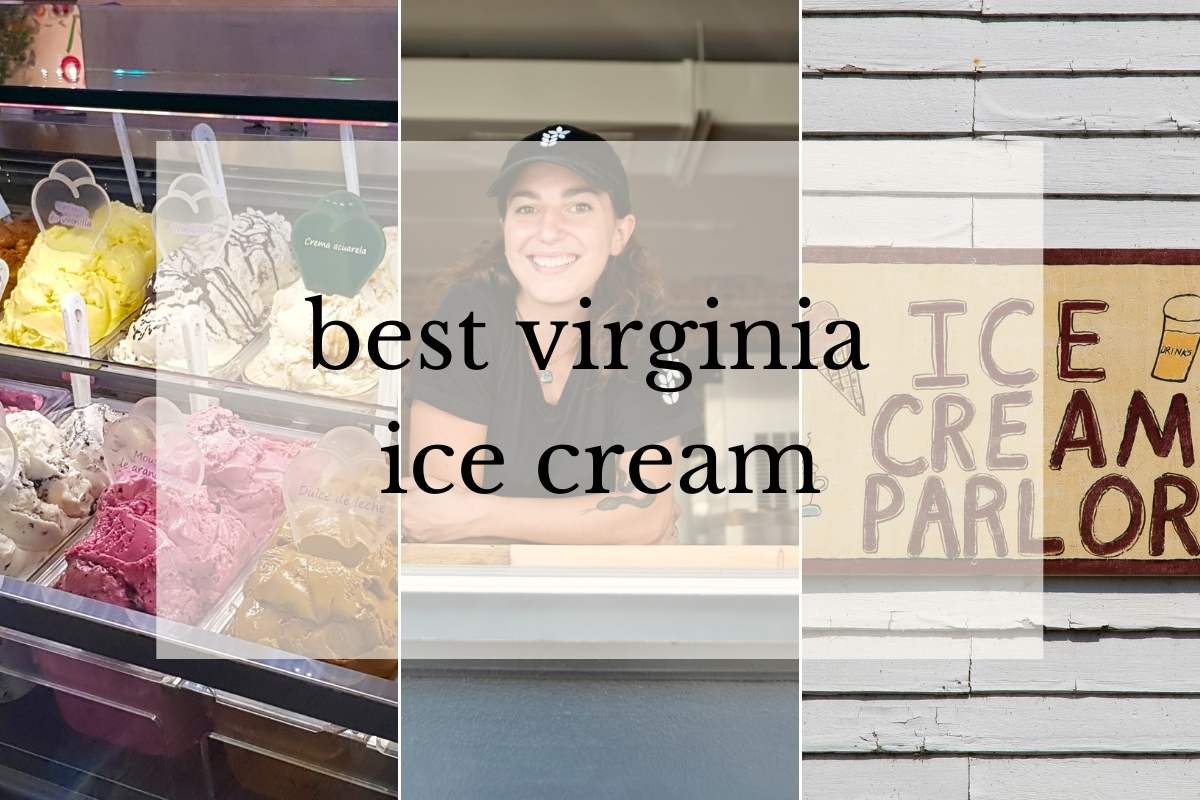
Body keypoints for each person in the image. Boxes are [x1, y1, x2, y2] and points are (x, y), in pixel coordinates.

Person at [402, 124, 701, 545]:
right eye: (527, 209)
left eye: (578, 206)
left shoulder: (644, 341)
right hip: (476, 600)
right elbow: (432, 512)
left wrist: (478, 513)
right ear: (506, 226)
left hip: (603, 604)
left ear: (619, 233)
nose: (548, 230)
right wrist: (603, 520)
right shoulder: (467, 317)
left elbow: (646, 517)